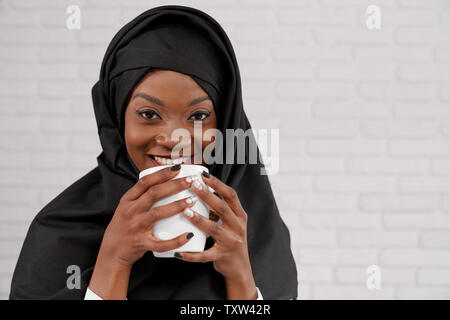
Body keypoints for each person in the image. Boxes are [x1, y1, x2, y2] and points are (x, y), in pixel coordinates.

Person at [9, 5, 298, 300]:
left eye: (198, 116)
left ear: (225, 123)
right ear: (117, 118)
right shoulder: (59, 233)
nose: (174, 139)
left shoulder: (257, 233)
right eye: (148, 114)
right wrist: (114, 260)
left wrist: (241, 279)